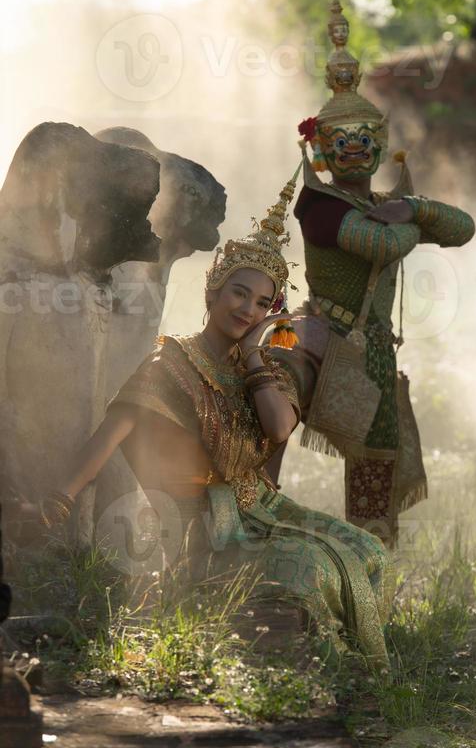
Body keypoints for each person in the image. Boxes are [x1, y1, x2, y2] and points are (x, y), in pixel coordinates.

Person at [32, 170, 394, 667]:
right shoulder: (171, 365)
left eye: (263, 303)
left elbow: (279, 428)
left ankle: (358, 666)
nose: (248, 309)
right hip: (209, 530)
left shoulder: (262, 369)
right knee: (312, 569)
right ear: (213, 292)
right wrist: (59, 498)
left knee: (367, 550)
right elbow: (109, 435)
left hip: (265, 512)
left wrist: (250, 357)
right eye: (239, 293)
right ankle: (318, 667)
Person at [266, 0, 476, 547]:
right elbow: (380, 248)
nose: (355, 150)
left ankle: (368, 575)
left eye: (365, 139)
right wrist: (409, 221)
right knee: (262, 431)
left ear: (381, 143)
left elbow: (463, 229)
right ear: (321, 149)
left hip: (373, 349)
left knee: (375, 475)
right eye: (343, 140)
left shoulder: (384, 206)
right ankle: (251, 545)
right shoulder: (318, 204)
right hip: (314, 336)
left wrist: (416, 206)